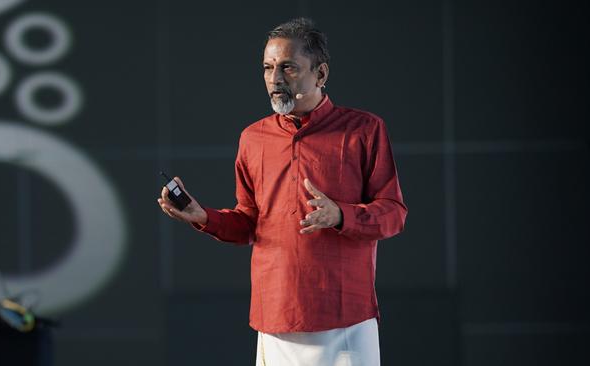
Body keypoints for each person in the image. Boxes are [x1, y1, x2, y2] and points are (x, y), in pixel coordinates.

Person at [157, 17, 407, 366]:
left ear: (320, 75)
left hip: (345, 315)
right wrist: (203, 217)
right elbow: (248, 223)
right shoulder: (253, 138)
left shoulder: (363, 130)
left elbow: (394, 214)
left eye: (288, 68)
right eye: (268, 68)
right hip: (275, 316)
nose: (275, 79)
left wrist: (341, 215)